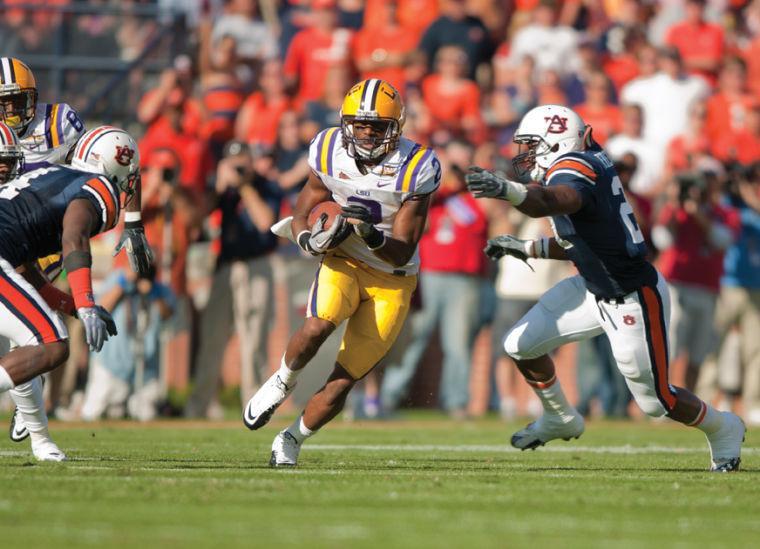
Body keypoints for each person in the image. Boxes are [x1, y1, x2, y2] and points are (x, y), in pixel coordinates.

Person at [464, 104, 745, 472]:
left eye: (532, 145)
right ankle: (560, 418)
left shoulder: (574, 167)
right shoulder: (582, 164)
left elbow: (553, 200)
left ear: (556, 143)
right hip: (592, 287)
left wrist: (508, 190)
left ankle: (723, 427)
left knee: (656, 401)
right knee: (520, 344)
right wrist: (527, 247)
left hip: (632, 296)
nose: (526, 155)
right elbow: (581, 241)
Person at [244, 78, 440, 467]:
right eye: (360, 124)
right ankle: (283, 379)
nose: (367, 133)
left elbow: (402, 251)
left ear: (396, 127)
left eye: (377, 126)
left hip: (392, 279)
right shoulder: (328, 148)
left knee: (344, 378)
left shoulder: (418, 167)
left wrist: (370, 234)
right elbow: (304, 209)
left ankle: (292, 438)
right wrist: (307, 241)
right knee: (318, 325)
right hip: (345, 260)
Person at [0, 123, 143, 460]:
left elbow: (27, 274)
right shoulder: (98, 186)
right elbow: (74, 237)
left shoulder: (52, 175)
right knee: (50, 344)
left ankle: (41, 441)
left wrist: (73, 305)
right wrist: (88, 301)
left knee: (34, 341)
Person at [184, 140, 282, 418]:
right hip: (225, 267)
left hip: (257, 266)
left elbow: (266, 222)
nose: (240, 168)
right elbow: (198, 218)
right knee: (211, 339)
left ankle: (253, 408)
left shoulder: (265, 186)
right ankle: (198, 406)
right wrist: (218, 188)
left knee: (254, 342)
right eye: (234, 163)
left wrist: (244, 187)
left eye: (244, 162)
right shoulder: (221, 189)